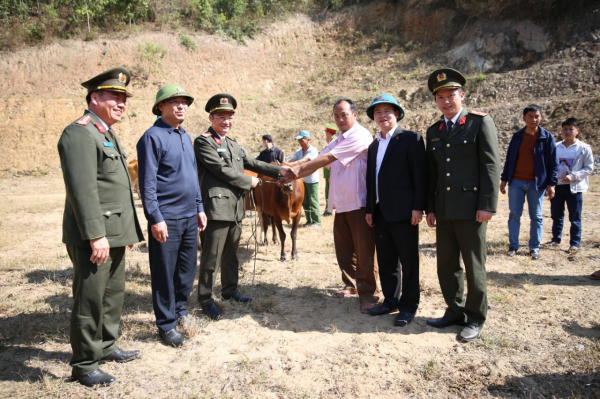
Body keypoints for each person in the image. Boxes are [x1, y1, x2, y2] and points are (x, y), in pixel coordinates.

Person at [57, 67, 144, 387]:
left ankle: (106, 346)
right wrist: (97, 235)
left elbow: (116, 188)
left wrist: (127, 231)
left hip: (115, 232)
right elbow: (83, 191)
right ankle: (84, 363)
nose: (121, 103)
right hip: (93, 234)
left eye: (124, 99)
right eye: (114, 97)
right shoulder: (80, 132)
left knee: (112, 295)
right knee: (90, 298)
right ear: (94, 98)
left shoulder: (106, 132)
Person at [193, 93, 291, 320]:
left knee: (231, 254)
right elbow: (221, 170)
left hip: (236, 208)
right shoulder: (203, 142)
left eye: (229, 117)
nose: (226, 121)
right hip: (216, 207)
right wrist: (249, 181)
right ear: (211, 117)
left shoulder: (232, 144)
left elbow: (252, 163)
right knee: (211, 257)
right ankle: (206, 299)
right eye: (221, 117)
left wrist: (280, 170)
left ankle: (229, 290)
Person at [283, 98, 381, 314]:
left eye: (344, 114)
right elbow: (319, 159)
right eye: (336, 116)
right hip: (342, 203)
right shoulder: (339, 138)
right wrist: (291, 171)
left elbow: (327, 158)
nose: (340, 119)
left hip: (360, 202)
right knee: (344, 248)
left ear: (355, 114)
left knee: (364, 250)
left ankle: (369, 294)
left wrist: (297, 170)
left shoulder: (359, 135)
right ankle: (350, 285)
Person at [424, 68, 501, 342]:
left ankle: (476, 318)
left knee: (473, 264)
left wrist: (488, 204)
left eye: (451, 95)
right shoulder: (434, 130)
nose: (446, 101)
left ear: (462, 95)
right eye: (440, 97)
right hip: (443, 209)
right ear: (436, 101)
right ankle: (454, 312)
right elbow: (432, 173)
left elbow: (490, 166)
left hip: (471, 208)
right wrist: (430, 207)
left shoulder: (480, 123)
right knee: (446, 264)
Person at [137, 84, 208, 347]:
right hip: (167, 218)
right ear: (160, 107)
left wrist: (199, 208)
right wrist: (155, 217)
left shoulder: (184, 136)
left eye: (184, 102)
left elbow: (192, 176)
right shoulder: (151, 137)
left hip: (190, 216)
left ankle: (180, 312)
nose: (181, 106)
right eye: (174, 102)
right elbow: (147, 184)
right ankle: (166, 325)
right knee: (164, 273)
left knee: (187, 270)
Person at [364, 94, 427, 326]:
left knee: (408, 262)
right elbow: (371, 180)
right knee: (386, 260)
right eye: (377, 112)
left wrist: (417, 207)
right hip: (380, 213)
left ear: (397, 113)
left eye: (387, 111)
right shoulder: (373, 146)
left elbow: (420, 176)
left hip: (404, 212)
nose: (382, 116)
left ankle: (408, 306)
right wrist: (370, 209)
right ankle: (390, 300)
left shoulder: (411, 139)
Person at [500, 104, 558, 260]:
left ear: (541, 117)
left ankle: (534, 247)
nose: (534, 119)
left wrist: (552, 184)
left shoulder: (547, 138)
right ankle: (513, 246)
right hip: (516, 182)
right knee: (514, 214)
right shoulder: (517, 136)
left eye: (537, 116)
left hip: (537, 183)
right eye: (530, 116)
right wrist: (504, 179)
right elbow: (510, 159)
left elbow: (553, 163)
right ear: (524, 118)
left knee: (536, 216)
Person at [546, 118, 594, 254]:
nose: (568, 132)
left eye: (571, 129)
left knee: (575, 217)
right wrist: (550, 184)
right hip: (557, 186)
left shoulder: (584, 148)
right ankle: (555, 240)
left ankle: (574, 243)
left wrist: (573, 177)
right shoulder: (556, 147)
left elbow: (589, 168)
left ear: (577, 131)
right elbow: (550, 166)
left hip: (574, 188)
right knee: (556, 215)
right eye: (565, 129)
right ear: (561, 131)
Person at [289, 130, 321, 227]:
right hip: (302, 181)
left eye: (302, 140)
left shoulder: (313, 150)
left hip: (312, 180)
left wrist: (292, 164)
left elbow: (304, 160)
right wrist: (286, 164)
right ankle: (309, 220)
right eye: (299, 140)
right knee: (305, 201)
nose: (300, 142)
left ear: (308, 140)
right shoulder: (299, 151)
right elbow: (293, 160)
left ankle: (317, 222)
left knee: (313, 200)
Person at [322, 123, 338, 216]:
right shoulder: (332, 143)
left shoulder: (333, 143)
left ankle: (328, 210)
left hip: (331, 171)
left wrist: (331, 174)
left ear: (329, 133)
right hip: (328, 171)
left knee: (329, 191)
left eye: (326, 133)